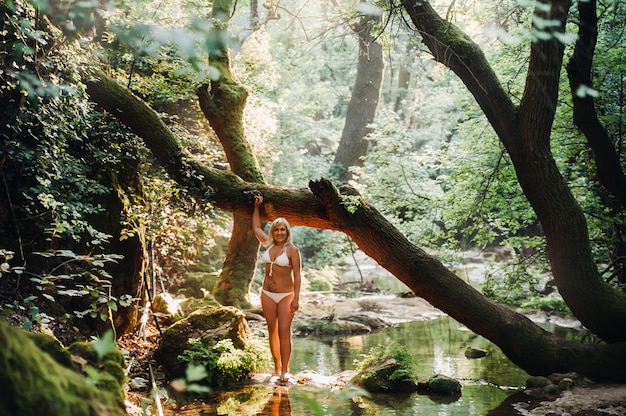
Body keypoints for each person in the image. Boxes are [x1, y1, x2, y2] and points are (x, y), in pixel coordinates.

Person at [252, 194, 302, 382]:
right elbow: (256, 227)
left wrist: (296, 298)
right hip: (267, 294)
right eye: (276, 229)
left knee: (284, 331)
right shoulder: (268, 244)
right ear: (272, 231)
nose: (280, 232)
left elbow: (297, 275)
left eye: (283, 229)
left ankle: (285, 370)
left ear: (287, 231)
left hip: (285, 295)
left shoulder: (292, 250)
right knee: (271, 330)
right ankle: (276, 367)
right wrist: (257, 207)